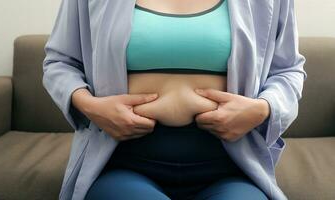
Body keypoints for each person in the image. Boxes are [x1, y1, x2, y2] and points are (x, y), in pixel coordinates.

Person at [42, 0, 307, 199]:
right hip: (125, 163)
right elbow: (60, 62)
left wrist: (262, 108)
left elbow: (288, 70)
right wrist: (92, 107)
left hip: (230, 167)